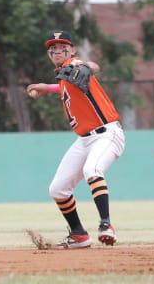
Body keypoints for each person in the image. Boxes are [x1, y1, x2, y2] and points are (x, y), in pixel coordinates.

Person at [27, 30, 126, 248]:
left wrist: (86, 67)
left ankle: (106, 225)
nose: (57, 50)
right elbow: (66, 85)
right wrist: (48, 88)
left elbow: (92, 67)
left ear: (72, 50)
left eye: (63, 46)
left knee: (92, 170)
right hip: (84, 140)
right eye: (52, 47)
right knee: (58, 189)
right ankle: (79, 235)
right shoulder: (64, 75)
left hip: (107, 134)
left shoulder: (76, 65)